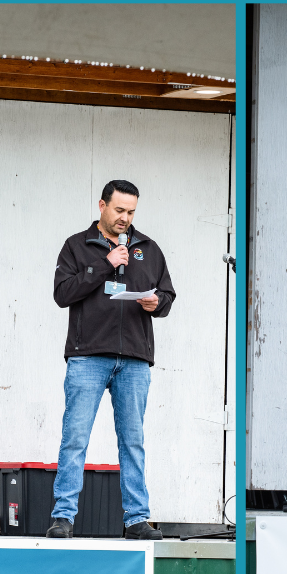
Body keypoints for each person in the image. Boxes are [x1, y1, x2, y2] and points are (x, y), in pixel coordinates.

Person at [47, 179, 176, 539]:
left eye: (131, 212)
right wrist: (105, 264)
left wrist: (158, 303)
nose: (125, 218)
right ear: (101, 206)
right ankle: (63, 517)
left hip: (134, 358)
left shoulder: (148, 248)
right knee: (75, 438)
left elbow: (167, 293)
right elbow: (62, 293)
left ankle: (136, 519)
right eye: (119, 210)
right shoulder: (76, 246)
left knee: (132, 441)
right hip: (88, 356)